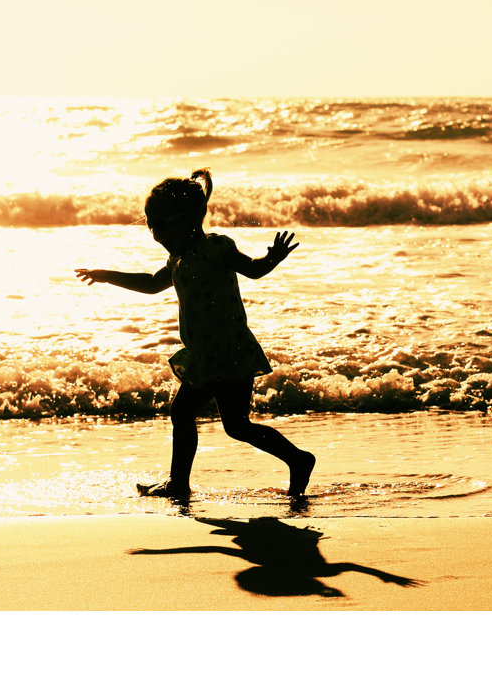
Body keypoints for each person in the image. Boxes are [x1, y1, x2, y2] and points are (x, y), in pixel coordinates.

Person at [75, 168, 315, 500]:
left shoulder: (217, 247)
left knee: (199, 416)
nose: (154, 232)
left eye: (160, 223)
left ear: (187, 218)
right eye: (150, 224)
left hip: (229, 352)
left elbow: (254, 270)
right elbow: (150, 284)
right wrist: (105, 275)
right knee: (231, 425)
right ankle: (297, 460)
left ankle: (182, 483)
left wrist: (272, 258)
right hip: (206, 356)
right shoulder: (177, 258)